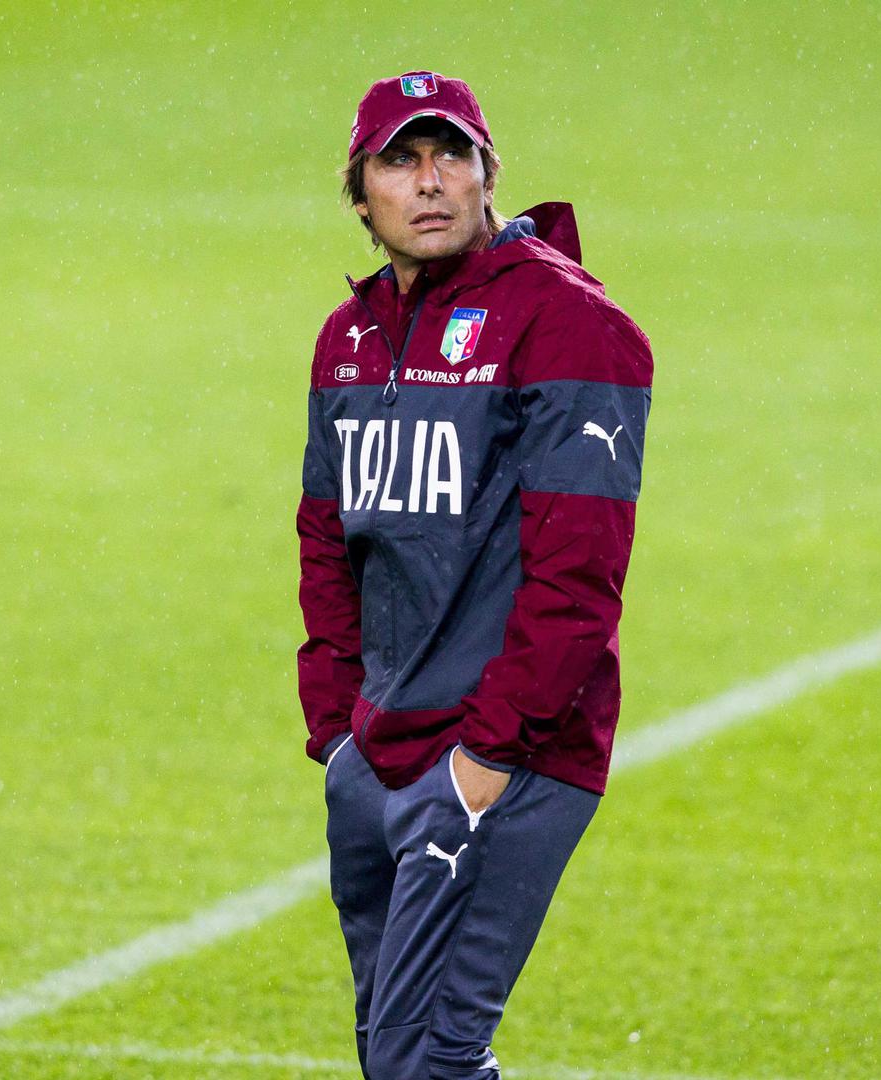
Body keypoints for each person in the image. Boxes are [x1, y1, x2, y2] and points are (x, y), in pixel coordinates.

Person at [295, 71, 653, 1078]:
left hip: (502, 757)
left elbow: (579, 571)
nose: (430, 181)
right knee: (395, 1056)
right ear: (359, 196)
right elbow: (327, 536)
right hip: (379, 753)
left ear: (488, 175)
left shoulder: (567, 322)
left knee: (427, 1058)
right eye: (399, 161)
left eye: (451, 155)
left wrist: (486, 759)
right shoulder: (349, 337)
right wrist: (337, 730)